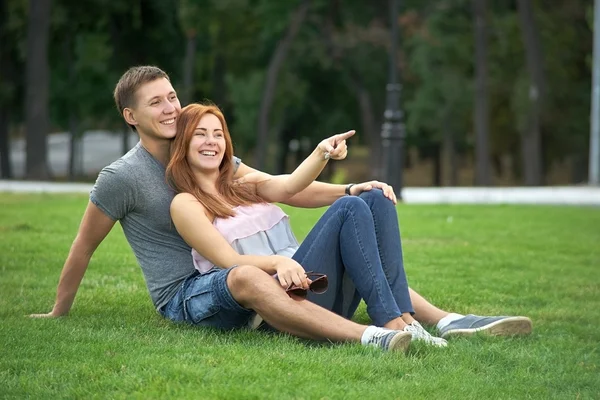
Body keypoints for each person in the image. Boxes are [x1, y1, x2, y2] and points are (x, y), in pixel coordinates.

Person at [31, 66, 532, 347]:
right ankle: (377, 334)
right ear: (130, 115)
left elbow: (284, 188)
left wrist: (350, 187)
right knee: (252, 274)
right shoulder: (124, 178)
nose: (169, 108)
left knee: (361, 210)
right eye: (156, 102)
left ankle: (437, 320)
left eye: (171, 96)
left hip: (250, 272)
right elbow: (84, 244)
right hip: (189, 291)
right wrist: (59, 311)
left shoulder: (215, 158)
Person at [167, 103, 452, 347]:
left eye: (218, 134)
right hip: (281, 304)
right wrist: (278, 263)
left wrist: (324, 155)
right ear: (183, 144)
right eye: (200, 134)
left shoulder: (243, 186)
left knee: (375, 196)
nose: (211, 142)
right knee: (349, 207)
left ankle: (406, 319)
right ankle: (391, 323)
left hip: (313, 282)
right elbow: (228, 260)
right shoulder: (186, 204)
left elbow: (291, 185)